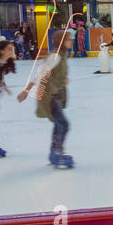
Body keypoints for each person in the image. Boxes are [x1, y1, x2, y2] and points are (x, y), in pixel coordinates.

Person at [19, 28, 74, 168]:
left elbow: (54, 74)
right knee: (63, 124)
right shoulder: (55, 56)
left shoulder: (61, 55)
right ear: (61, 42)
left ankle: (54, 153)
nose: (71, 41)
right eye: (68, 39)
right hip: (50, 95)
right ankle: (56, 153)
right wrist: (26, 90)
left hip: (55, 94)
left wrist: (62, 80)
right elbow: (41, 74)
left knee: (59, 123)